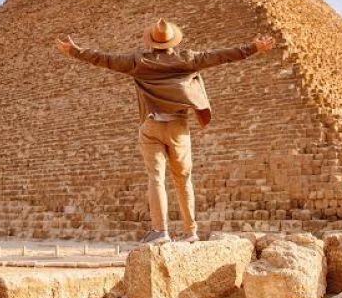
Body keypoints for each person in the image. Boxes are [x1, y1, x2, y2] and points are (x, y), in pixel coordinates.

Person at [55, 18, 275, 245]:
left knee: (156, 178)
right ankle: (190, 232)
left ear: (150, 42)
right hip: (178, 128)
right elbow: (221, 56)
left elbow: (104, 59)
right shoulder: (188, 59)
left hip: (152, 127)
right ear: (173, 41)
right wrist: (254, 48)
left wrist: (74, 51)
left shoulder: (138, 62)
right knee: (183, 180)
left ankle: (160, 231)